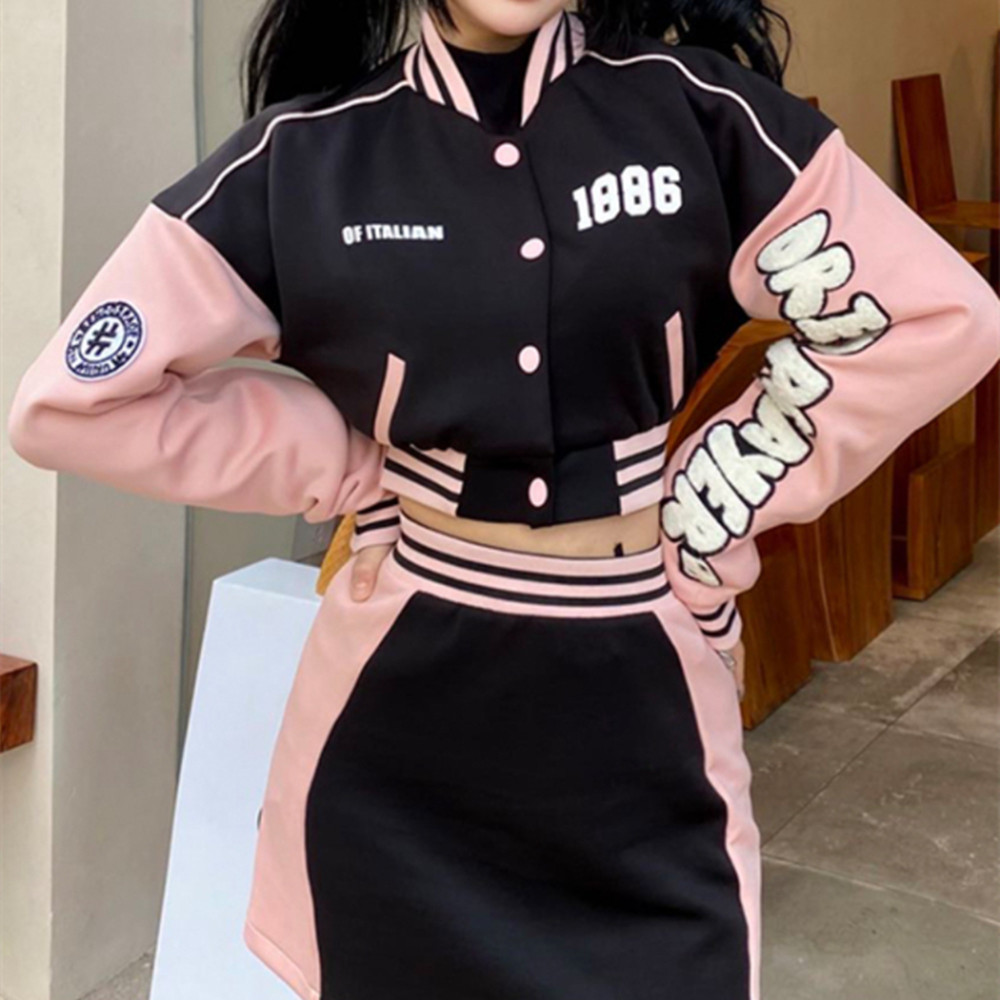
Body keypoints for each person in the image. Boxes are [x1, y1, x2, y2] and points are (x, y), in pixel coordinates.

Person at [7, 0, 998, 996]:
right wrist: (349, 466)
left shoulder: (703, 113)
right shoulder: (304, 154)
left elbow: (937, 315)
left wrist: (716, 494)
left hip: (646, 721)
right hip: (394, 751)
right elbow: (71, 404)